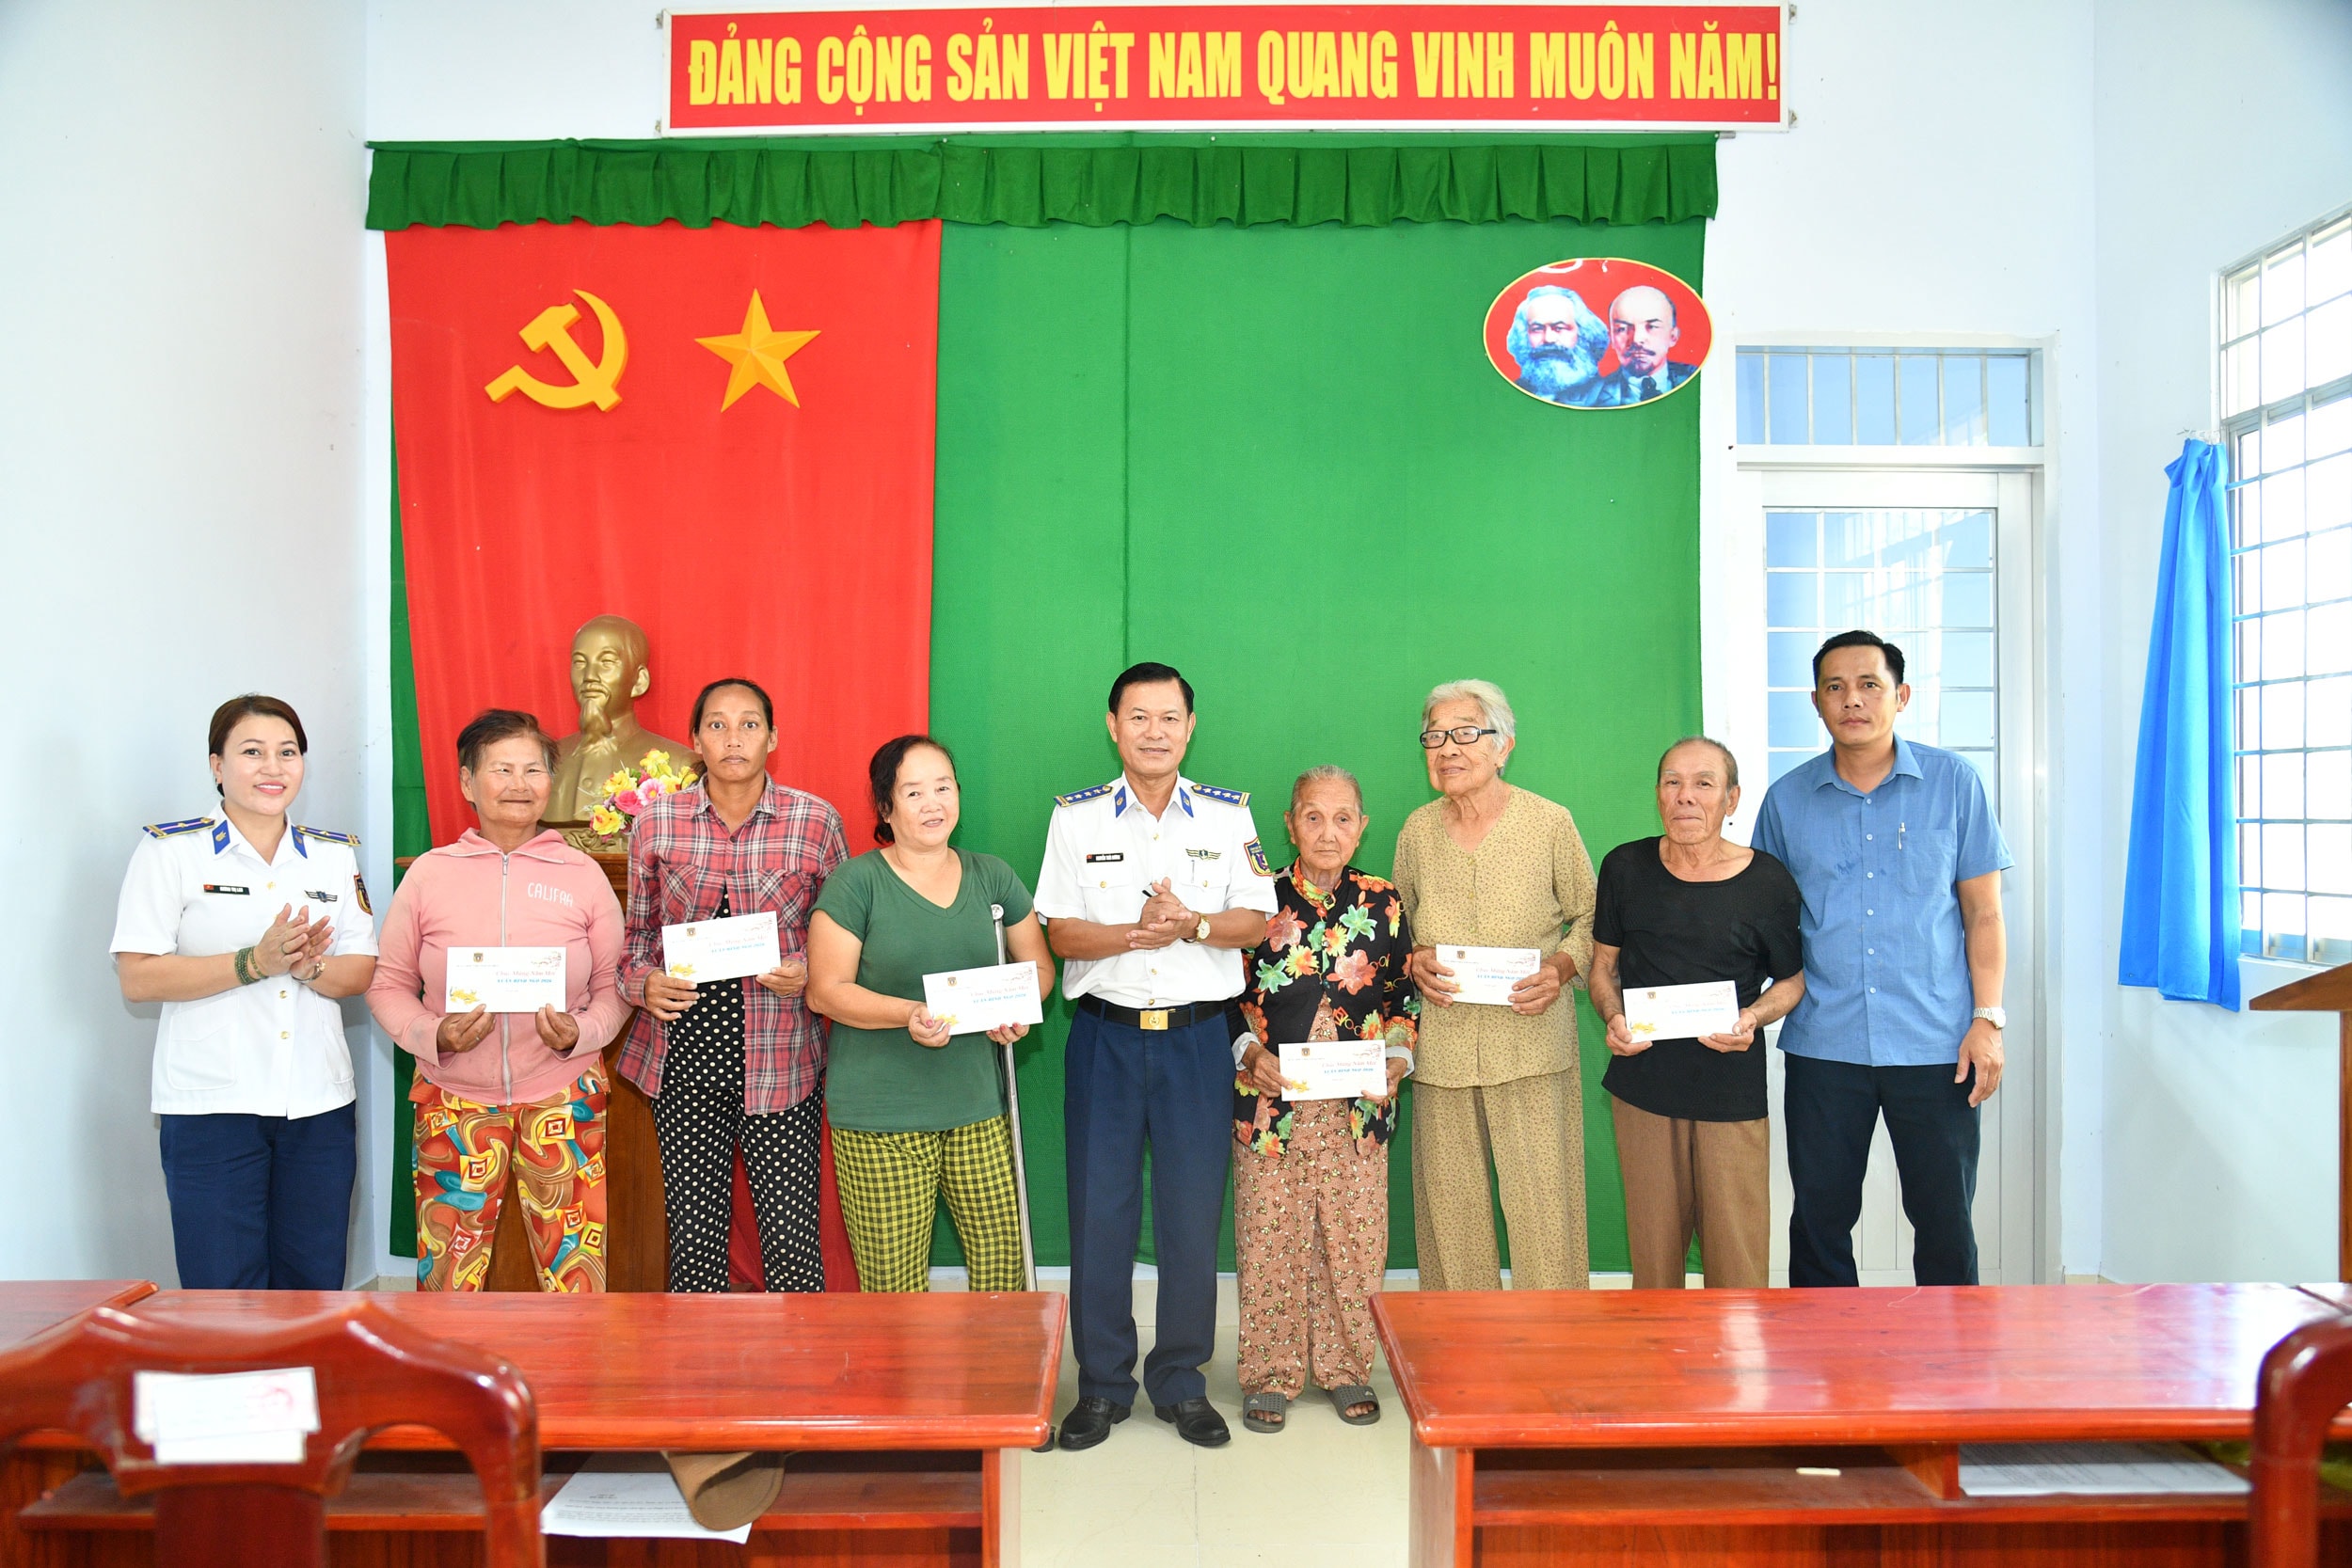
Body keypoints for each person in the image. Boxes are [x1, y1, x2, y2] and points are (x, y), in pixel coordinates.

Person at [1035, 662, 1277, 1451]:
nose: (1154, 731)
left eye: (1169, 717)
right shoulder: (1076, 819)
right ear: (1113, 726)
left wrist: (1193, 923)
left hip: (1196, 1042)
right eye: (1138, 717)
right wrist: (1138, 934)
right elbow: (1060, 931)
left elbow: (1256, 920)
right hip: (1104, 1038)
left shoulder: (1227, 815)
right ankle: (1103, 1385)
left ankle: (1180, 1380)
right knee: (1098, 1212)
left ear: (1190, 726)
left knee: (1190, 1214)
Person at [1751, 630, 2012, 1288]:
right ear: (1816, 701)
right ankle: (1826, 1349)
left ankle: (1951, 1348)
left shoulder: (1954, 784)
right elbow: (1761, 922)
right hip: (1825, 1041)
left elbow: (1984, 914)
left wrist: (1988, 1019)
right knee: (1819, 1222)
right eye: (1835, 687)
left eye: (1870, 684)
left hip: (1938, 1044)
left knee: (1945, 1220)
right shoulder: (1786, 800)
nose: (1853, 700)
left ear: (1902, 695)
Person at [111, 694, 378, 1289]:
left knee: (314, 1285)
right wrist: (252, 963)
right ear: (217, 765)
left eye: (288, 752)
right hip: (213, 1105)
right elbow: (138, 976)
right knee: (222, 1290)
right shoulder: (171, 851)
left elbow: (361, 969)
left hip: (316, 1104)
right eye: (252, 752)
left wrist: (308, 968)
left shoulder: (333, 856)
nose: (272, 768)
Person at [368, 708, 630, 1292]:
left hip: (564, 1099)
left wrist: (581, 1034)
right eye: (501, 769)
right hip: (454, 1102)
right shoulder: (429, 875)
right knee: (448, 1283)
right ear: (467, 782)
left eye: (533, 770)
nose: (519, 784)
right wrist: (433, 1034)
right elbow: (388, 985)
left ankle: (575, 1360)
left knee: (575, 1280)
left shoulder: (583, 874)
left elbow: (614, 986)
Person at [619, 676, 847, 1293]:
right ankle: (701, 1357)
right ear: (695, 740)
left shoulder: (815, 821)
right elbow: (636, 937)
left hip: (782, 1059)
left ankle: (797, 1354)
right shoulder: (657, 822)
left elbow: (845, 938)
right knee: (694, 1245)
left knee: (793, 1242)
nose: (733, 738)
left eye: (749, 724)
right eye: (716, 725)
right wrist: (644, 984)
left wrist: (807, 969)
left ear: (773, 738)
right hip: (684, 1061)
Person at [806, 735, 1054, 1293]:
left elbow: (1038, 969)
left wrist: (1016, 1010)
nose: (932, 803)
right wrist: (911, 1013)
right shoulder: (856, 884)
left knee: (1003, 1275)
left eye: (943, 787)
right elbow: (825, 991)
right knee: (894, 1291)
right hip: (880, 1120)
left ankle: (999, 1359)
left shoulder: (993, 876)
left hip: (979, 1109)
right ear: (885, 807)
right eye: (913, 792)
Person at [1230, 766, 1417, 1433]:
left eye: (1342, 819)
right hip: (1270, 1105)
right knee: (1268, 1239)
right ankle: (1270, 1373)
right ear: (1290, 824)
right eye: (1313, 817)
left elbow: (1402, 996)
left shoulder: (1384, 901)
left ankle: (1345, 1368)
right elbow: (1223, 995)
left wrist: (1397, 1058)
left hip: (1356, 1110)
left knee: (1354, 1242)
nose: (1328, 832)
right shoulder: (1255, 899)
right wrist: (1248, 1054)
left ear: (1361, 827)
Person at [1393, 679, 1596, 1291]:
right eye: (1435, 736)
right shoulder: (1417, 831)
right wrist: (1413, 958)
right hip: (1444, 1051)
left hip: (1532, 1047)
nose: (1447, 748)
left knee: (1545, 1214)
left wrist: (1560, 968)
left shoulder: (1549, 822)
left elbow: (1592, 917)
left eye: (1465, 733)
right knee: (1451, 1219)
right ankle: (1462, 1345)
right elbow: (1395, 929)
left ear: (1503, 745)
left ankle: (1554, 1343)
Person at [1586, 737, 1804, 1291]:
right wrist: (1612, 1016)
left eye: (1704, 784)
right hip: (1644, 1088)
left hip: (1730, 1092)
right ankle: (1659, 1351)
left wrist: (1752, 1018)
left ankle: (1735, 1350)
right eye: (1672, 782)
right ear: (1658, 794)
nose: (1686, 796)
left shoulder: (1768, 881)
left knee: (1738, 1264)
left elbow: (1792, 982)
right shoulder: (1625, 867)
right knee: (1655, 1265)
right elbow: (1603, 968)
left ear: (1731, 799)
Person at [549, 613, 694, 822]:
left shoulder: (680, 765)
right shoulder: (547, 760)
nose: (589, 676)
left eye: (606, 662)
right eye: (580, 662)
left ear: (639, 681)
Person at [1507, 285, 1610, 406]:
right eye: (1537, 329)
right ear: (1524, 336)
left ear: (1583, 334)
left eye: (1559, 328)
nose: (1548, 339)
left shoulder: (1607, 395)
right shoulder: (1511, 392)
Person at [1594, 285, 1696, 406]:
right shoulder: (1592, 397)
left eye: (1652, 327)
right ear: (1611, 338)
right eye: (1622, 329)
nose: (1637, 339)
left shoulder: (1699, 380)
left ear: (1673, 336)